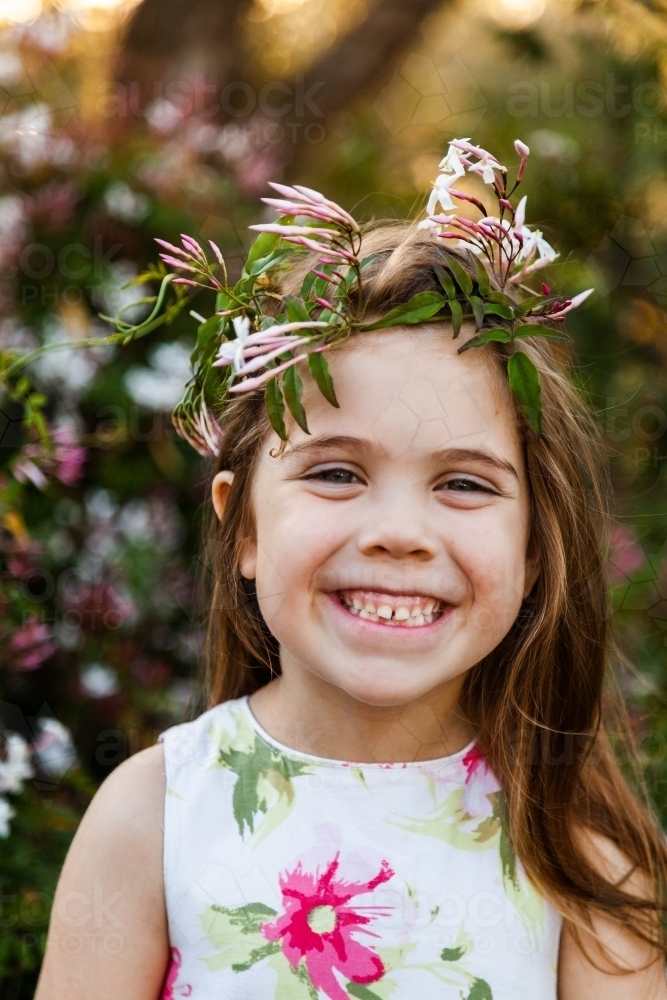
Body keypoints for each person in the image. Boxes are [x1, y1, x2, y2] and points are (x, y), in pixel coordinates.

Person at [35, 141, 667, 1000]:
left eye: (463, 483)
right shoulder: (152, 816)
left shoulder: (582, 862)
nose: (399, 533)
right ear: (244, 527)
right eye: (336, 472)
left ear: (530, 555)